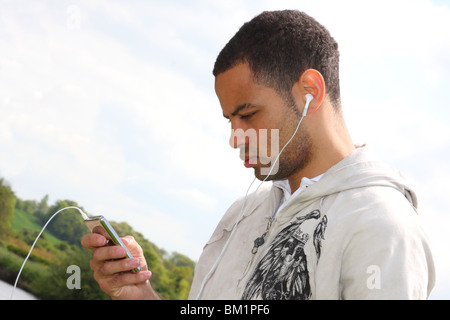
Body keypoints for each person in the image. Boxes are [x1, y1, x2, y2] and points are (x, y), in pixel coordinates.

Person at [81, 10, 435, 300]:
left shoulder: (384, 229)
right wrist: (138, 293)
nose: (236, 138)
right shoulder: (242, 213)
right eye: (230, 120)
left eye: (248, 115)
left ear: (309, 91)